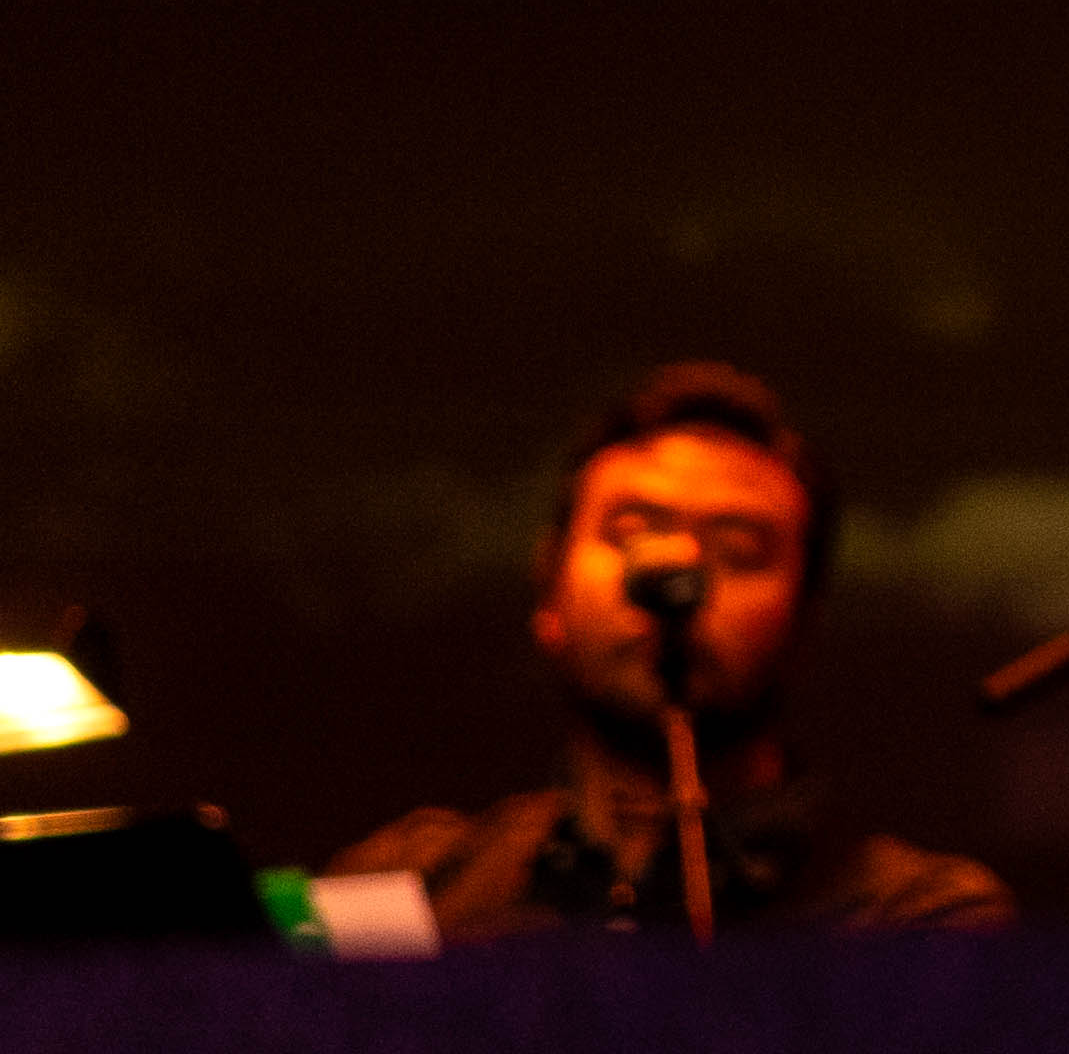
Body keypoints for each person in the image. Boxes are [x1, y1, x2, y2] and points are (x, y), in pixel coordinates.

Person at [321, 363, 1010, 944]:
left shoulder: (917, 922)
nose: (671, 575)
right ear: (549, 594)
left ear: (804, 622)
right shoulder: (411, 893)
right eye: (628, 533)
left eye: (738, 551)